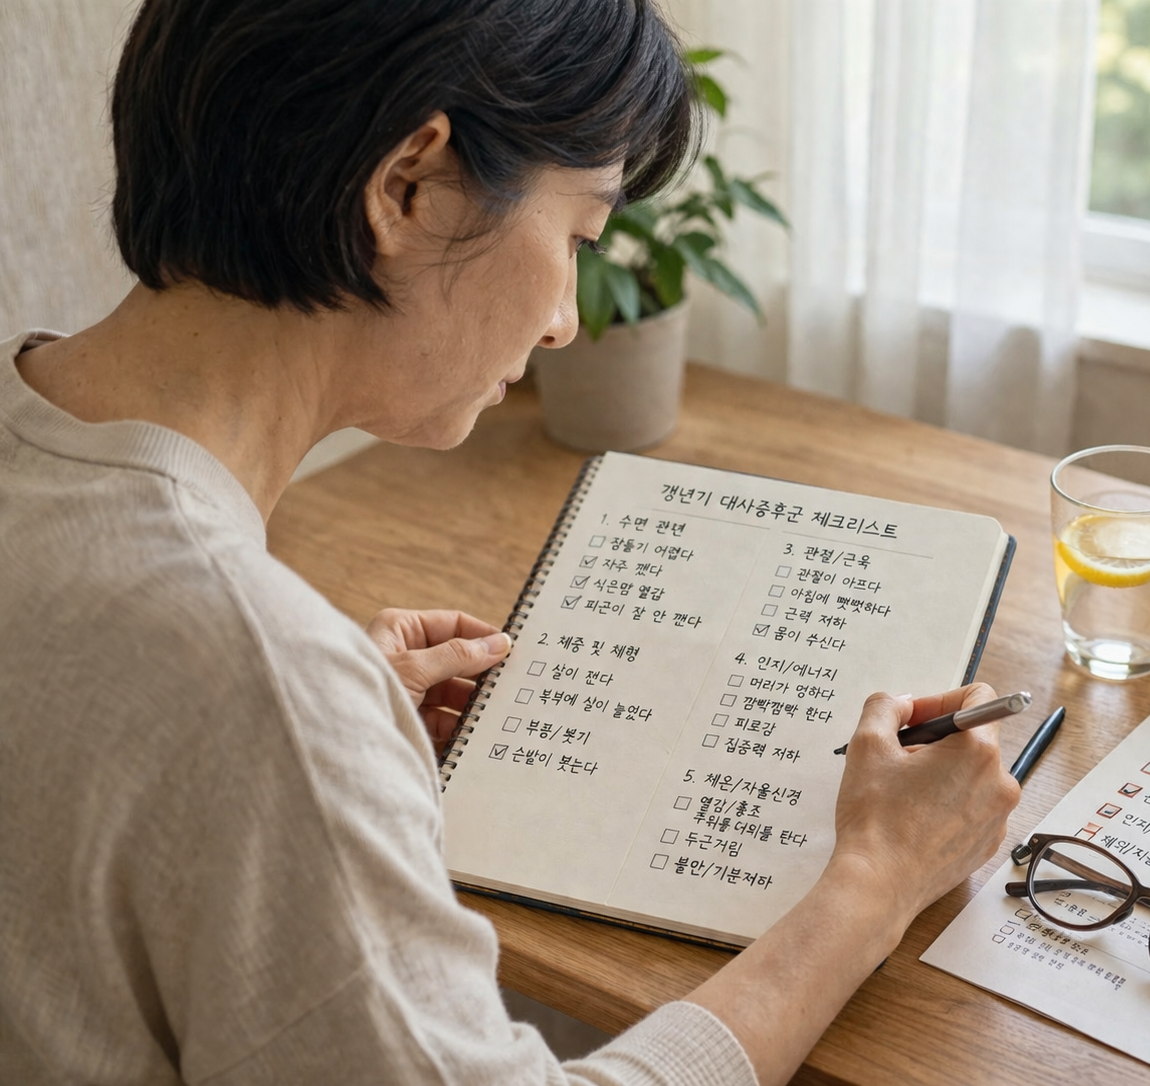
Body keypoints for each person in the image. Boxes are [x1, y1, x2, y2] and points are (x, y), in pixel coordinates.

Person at [0, 1, 1020, 1083]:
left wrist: (318, 732)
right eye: (577, 235)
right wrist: (870, 885)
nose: (565, 322)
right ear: (409, 187)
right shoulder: (258, 678)